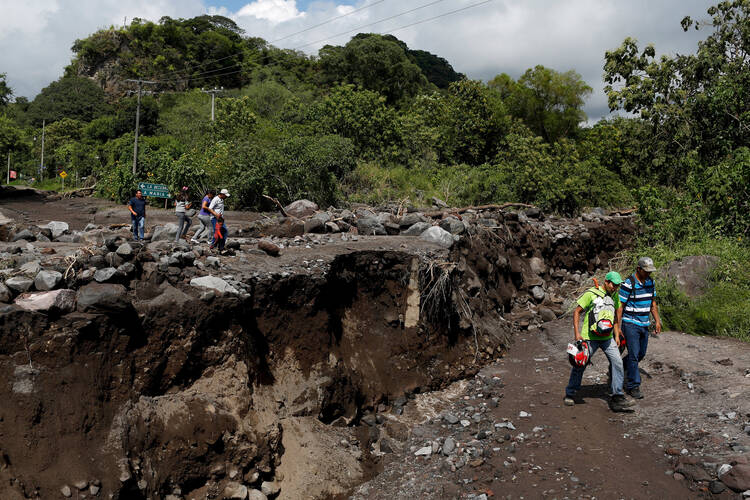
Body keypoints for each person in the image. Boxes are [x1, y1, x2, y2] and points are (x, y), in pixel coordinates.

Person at [564, 271, 635, 412]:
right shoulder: (591, 293)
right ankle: (570, 393)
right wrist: (577, 333)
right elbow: (577, 311)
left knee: (618, 363)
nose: (615, 288)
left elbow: (614, 315)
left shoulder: (614, 296)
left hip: (607, 338)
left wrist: (616, 334)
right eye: (613, 285)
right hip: (589, 338)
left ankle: (617, 397)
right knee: (580, 363)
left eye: (617, 286)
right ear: (607, 282)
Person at [618, 256, 662, 400]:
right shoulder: (628, 284)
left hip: (644, 324)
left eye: (650, 271)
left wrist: (657, 321)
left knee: (640, 354)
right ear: (638, 269)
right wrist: (617, 328)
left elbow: (652, 303)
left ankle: (618, 366)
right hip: (630, 324)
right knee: (634, 355)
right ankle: (632, 386)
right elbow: (620, 307)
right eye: (646, 271)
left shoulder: (651, 282)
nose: (649, 274)